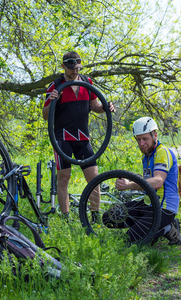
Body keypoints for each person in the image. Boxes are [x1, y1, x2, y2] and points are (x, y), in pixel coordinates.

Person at [43, 51, 115, 221]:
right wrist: (53, 100)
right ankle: (66, 218)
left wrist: (106, 107)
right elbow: (45, 115)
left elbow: (95, 105)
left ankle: (95, 218)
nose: (74, 71)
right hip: (62, 139)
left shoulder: (87, 82)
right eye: (71, 68)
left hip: (83, 138)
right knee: (64, 178)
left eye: (77, 68)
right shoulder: (54, 86)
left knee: (93, 177)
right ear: (63, 67)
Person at [103, 116, 181, 245]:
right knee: (109, 217)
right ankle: (150, 227)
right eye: (138, 139)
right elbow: (147, 181)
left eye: (145, 139)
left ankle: (167, 227)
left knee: (129, 240)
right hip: (147, 204)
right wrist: (131, 177)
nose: (141, 144)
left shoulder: (162, 152)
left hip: (164, 208)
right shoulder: (146, 156)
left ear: (155, 135)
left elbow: (157, 182)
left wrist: (130, 185)